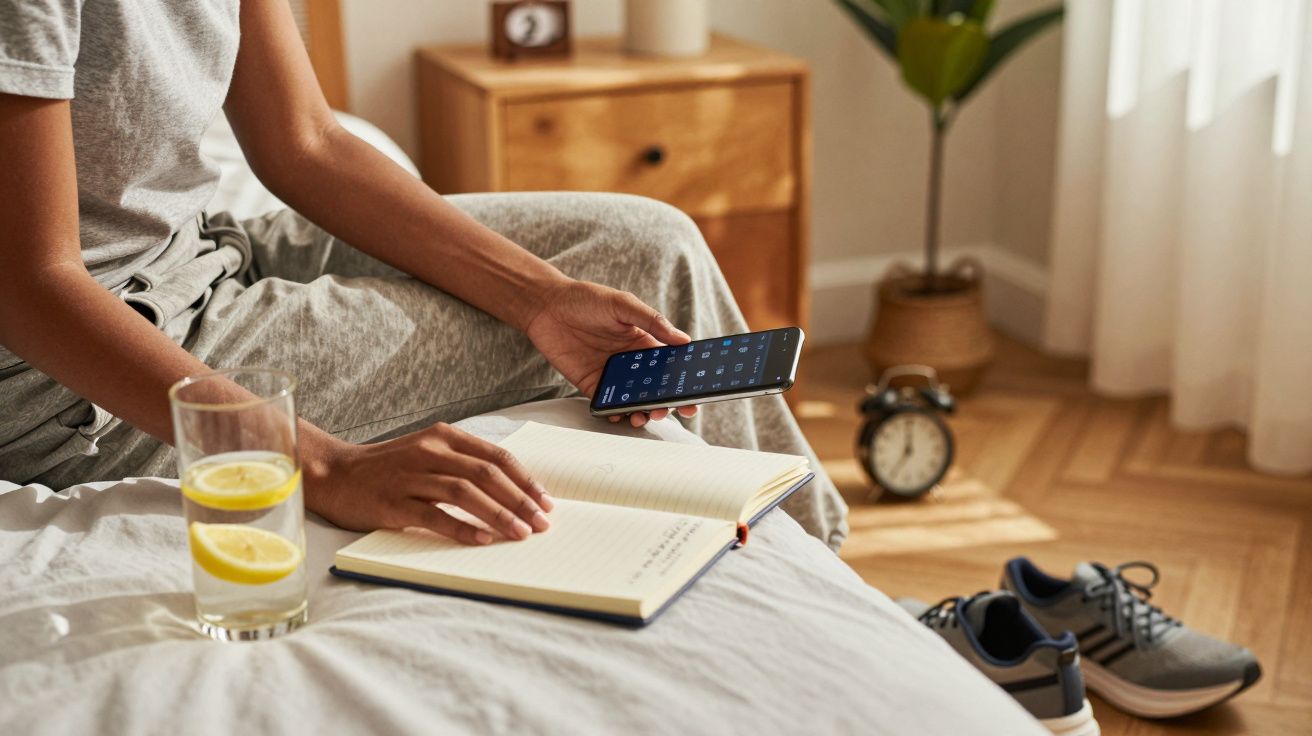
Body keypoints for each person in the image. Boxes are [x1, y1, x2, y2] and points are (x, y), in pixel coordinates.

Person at [0, 0, 847, 549]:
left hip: (207, 247)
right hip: (83, 365)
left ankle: (823, 561)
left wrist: (540, 296)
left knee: (648, 244)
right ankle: (833, 611)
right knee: (573, 333)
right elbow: (31, 283)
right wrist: (326, 469)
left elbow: (308, 142)